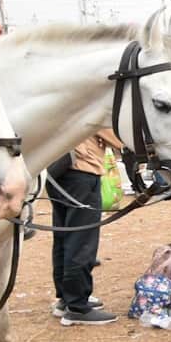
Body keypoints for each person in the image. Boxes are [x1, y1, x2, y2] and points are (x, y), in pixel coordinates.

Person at [49, 132, 122, 326]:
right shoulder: (90, 111)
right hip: (82, 172)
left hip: (58, 171)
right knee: (81, 241)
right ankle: (78, 307)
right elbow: (119, 139)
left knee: (64, 238)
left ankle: (65, 300)